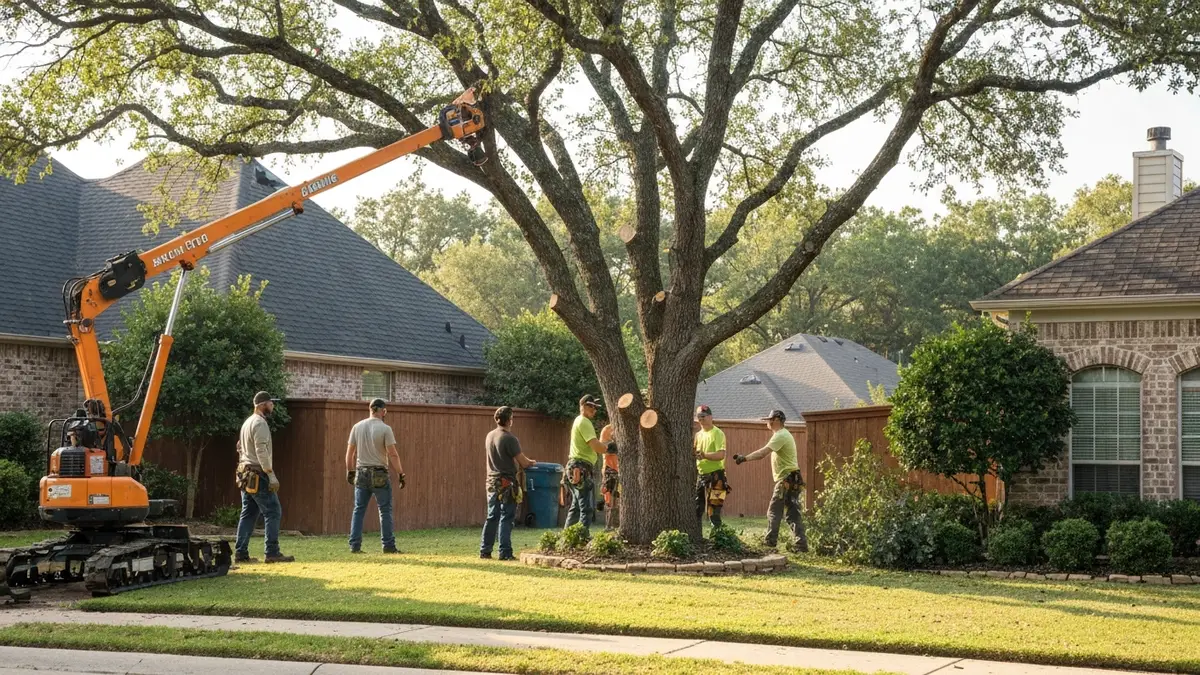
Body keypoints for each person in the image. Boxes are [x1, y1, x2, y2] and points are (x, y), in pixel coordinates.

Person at [733, 409, 808, 552]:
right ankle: (801, 544)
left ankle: (770, 542)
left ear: (777, 420)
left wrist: (744, 458)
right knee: (793, 513)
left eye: (769, 419)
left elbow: (762, 453)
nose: (768, 422)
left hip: (786, 479)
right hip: (794, 478)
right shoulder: (784, 435)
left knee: (773, 511)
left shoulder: (780, 435)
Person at [235, 391, 294, 564]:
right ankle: (272, 552)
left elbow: (239, 447)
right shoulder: (260, 423)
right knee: (273, 511)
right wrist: (271, 474)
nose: (273, 406)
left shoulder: (247, 422)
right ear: (262, 405)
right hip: (258, 474)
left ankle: (241, 553)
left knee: (248, 513)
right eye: (270, 403)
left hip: (245, 473)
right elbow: (261, 451)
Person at [346, 398, 405, 554]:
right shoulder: (385, 429)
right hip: (379, 473)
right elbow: (393, 454)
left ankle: (355, 545)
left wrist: (350, 471)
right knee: (384, 510)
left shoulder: (357, 427)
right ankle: (388, 545)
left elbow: (350, 454)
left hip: (361, 472)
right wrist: (400, 473)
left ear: (370, 409)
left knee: (358, 509)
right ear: (383, 411)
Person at [480, 406, 535, 560]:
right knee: (507, 516)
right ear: (509, 419)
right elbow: (523, 462)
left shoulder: (489, 436)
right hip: (506, 482)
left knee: (492, 516)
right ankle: (505, 552)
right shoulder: (510, 438)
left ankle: (485, 550)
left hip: (491, 481)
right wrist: (532, 462)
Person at [562, 394, 607, 529]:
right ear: (582, 406)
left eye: (595, 407)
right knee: (586, 508)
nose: (594, 409)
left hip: (575, 466)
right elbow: (596, 446)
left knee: (576, 507)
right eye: (591, 406)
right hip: (580, 468)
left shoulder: (578, 420)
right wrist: (608, 447)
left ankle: (568, 538)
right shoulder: (584, 422)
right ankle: (582, 537)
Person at [693, 405, 729, 529]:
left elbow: (721, 454)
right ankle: (696, 535)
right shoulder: (698, 435)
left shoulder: (718, 433)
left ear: (710, 417)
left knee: (714, 510)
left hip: (717, 476)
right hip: (701, 475)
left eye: (703, 416)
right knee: (697, 508)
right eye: (698, 417)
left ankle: (718, 538)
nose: (701, 419)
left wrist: (704, 455)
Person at [599, 424, 620, 530]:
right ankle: (608, 526)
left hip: (620, 469)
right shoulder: (607, 429)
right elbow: (604, 447)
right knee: (609, 498)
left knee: (618, 499)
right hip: (610, 469)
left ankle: (617, 525)